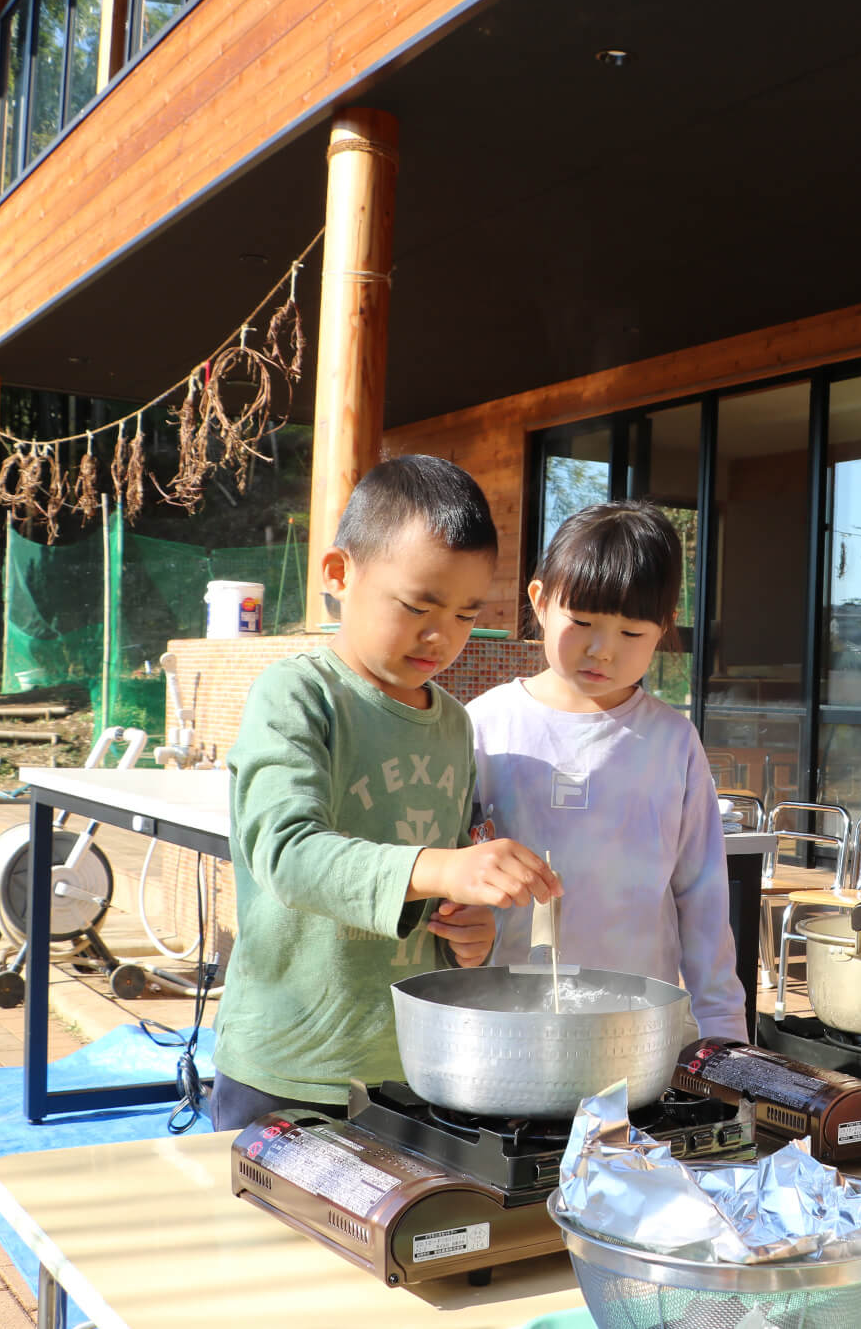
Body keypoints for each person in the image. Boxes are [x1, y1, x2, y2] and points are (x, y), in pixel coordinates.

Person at [209, 456, 562, 1132]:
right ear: (340, 575)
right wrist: (438, 866)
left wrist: (471, 928)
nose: (443, 635)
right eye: (417, 606)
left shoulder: (454, 724)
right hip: (288, 1063)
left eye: (465, 613)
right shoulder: (298, 695)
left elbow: (446, 883)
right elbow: (286, 852)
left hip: (410, 1065)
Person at [468, 501, 746, 1041]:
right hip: (503, 1023)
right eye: (584, 623)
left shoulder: (672, 742)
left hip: (637, 1026)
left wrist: (723, 1030)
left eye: (633, 634)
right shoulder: (484, 725)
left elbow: (703, 896)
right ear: (540, 601)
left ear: (664, 631)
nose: (603, 651)